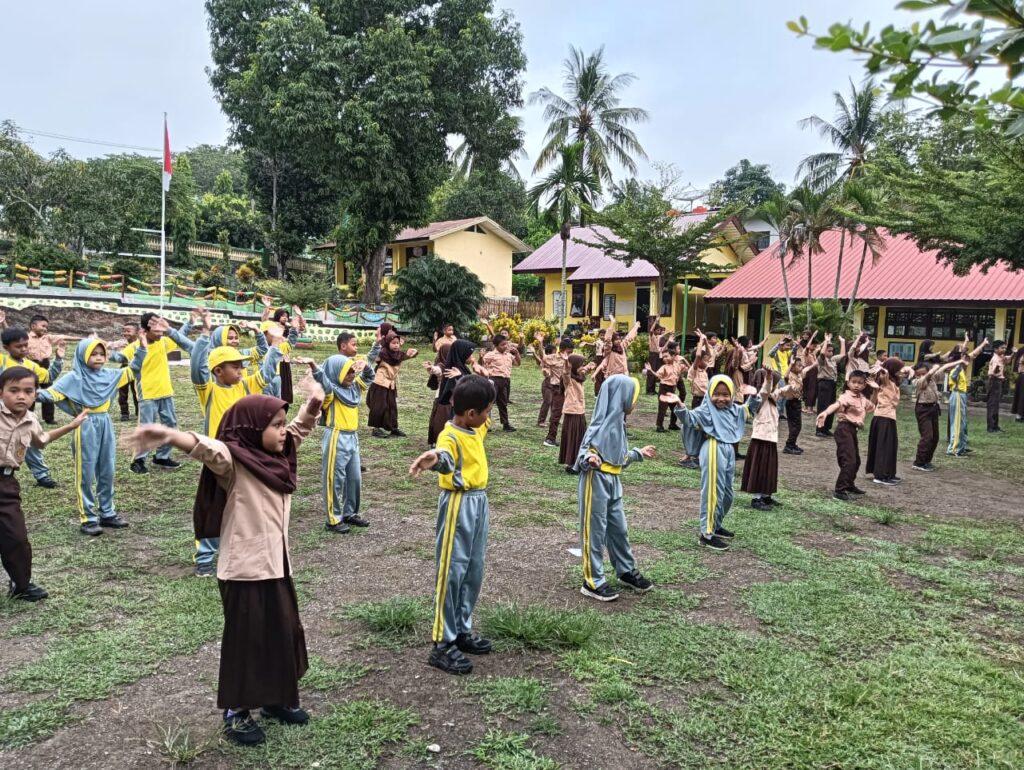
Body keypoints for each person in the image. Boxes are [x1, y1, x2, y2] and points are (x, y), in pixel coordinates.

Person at [125, 387, 323, 746]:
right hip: (244, 571)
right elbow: (208, 449)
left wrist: (313, 406)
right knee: (247, 642)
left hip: (277, 566)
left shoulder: (277, 457)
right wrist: (169, 435)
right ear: (251, 428)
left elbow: (299, 430)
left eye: (282, 424)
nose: (283, 431)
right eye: (275, 425)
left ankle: (275, 698)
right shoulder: (235, 463)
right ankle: (236, 712)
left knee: (281, 633)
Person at [409, 375, 496, 675]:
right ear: (471, 413)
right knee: (452, 571)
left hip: (478, 502)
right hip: (458, 505)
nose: (489, 416)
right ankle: (442, 643)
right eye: (487, 411)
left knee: (473, 569)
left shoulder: (473, 427)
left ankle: (460, 628)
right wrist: (434, 458)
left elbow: (480, 400)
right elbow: (444, 456)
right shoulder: (450, 436)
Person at [190, 342, 284, 577]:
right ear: (218, 371)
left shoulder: (245, 385)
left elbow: (266, 374)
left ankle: (244, 550)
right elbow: (197, 368)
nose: (241, 370)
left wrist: (274, 346)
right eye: (235, 367)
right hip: (219, 458)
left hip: (244, 457)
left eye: (241, 366)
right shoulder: (208, 390)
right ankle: (205, 557)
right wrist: (204, 336)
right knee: (214, 504)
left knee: (243, 504)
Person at [36, 338, 147, 535]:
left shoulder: (111, 375)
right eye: (93, 354)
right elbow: (50, 395)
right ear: (82, 356)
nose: (99, 358)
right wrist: (26, 391)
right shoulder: (73, 378)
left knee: (107, 469)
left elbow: (134, 370)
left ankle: (107, 513)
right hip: (84, 425)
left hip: (105, 423)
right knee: (85, 472)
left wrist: (143, 348)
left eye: (102, 354)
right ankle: (88, 518)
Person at [0, 366, 88, 601]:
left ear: (35, 395)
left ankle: (21, 585)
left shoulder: (30, 420)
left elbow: (43, 440)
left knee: (16, 537)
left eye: (28, 391)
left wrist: (71, 426)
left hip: (6, 484)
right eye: (13, 390)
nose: (21, 396)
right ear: (1, 392)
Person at [573, 375, 655, 601]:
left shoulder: (618, 423)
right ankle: (592, 580)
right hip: (596, 480)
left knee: (619, 529)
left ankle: (625, 570)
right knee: (594, 531)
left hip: (614, 482)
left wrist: (638, 453)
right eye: (633, 397)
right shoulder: (600, 426)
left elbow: (618, 457)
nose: (634, 403)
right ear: (622, 397)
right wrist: (589, 459)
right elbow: (584, 453)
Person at [667, 374, 753, 551]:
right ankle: (706, 534)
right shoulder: (705, 410)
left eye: (725, 394)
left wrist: (762, 388)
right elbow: (689, 419)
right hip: (713, 448)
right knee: (713, 492)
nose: (721, 398)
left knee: (727, 493)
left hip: (728, 449)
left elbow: (749, 409)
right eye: (717, 394)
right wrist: (680, 404)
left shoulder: (733, 410)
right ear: (709, 393)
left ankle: (716, 524)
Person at [118, 313, 195, 475]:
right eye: (157, 330)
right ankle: (138, 461)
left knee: (170, 425)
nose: (161, 333)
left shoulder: (163, 342)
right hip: (147, 395)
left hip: (166, 392)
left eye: (162, 330)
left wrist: (190, 322)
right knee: (147, 428)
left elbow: (179, 336)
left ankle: (162, 457)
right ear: (145, 330)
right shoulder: (134, 348)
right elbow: (119, 358)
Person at [309, 352, 375, 534]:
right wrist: (314, 365)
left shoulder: (354, 389)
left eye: (353, 372)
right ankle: (333, 519)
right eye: (347, 372)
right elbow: (324, 380)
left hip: (353, 437)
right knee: (334, 479)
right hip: (336, 437)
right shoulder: (331, 392)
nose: (352, 376)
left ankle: (350, 513)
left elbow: (369, 377)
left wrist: (365, 365)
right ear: (336, 373)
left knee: (354, 478)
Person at [0, 327, 65, 488]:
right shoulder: (2, 362)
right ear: (6, 347)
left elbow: (49, 376)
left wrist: (58, 359)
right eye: (18, 346)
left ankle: (42, 475)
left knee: (28, 442)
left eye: (25, 345)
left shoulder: (31, 366)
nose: (23, 349)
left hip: (21, 416)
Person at [817, 370, 874, 501]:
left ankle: (849, 484)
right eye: (854, 382)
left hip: (853, 430)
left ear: (864, 385)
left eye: (860, 383)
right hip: (844, 429)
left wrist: (876, 390)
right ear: (848, 383)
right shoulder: (846, 396)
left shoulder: (862, 398)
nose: (856, 385)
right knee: (849, 460)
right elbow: (836, 405)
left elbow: (872, 406)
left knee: (856, 461)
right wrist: (825, 413)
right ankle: (839, 490)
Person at [742, 367, 792, 510]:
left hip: (770, 439)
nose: (776, 386)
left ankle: (766, 495)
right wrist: (769, 378)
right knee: (759, 468)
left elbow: (782, 391)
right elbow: (765, 390)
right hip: (760, 439)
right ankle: (756, 498)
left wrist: (791, 385)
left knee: (768, 469)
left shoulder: (772, 397)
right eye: (775, 383)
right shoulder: (760, 398)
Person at [865, 359, 909, 486]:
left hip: (888, 417)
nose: (901, 371)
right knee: (884, 447)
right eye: (899, 369)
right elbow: (884, 372)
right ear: (893, 369)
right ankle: (880, 475)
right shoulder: (886, 379)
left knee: (890, 446)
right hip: (883, 417)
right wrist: (881, 367)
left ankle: (888, 473)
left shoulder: (892, 382)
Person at [367, 332, 418, 438]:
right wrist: (377, 343)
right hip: (380, 382)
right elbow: (372, 357)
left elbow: (409, 355)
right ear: (387, 343)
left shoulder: (398, 355)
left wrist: (414, 352)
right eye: (393, 343)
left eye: (397, 343)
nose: (396, 345)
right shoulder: (382, 353)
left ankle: (393, 428)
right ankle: (376, 429)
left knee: (392, 406)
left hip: (391, 383)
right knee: (379, 406)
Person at [910, 359, 958, 472]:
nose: (921, 376)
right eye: (918, 374)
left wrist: (960, 361)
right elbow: (928, 375)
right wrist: (933, 369)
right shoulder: (917, 382)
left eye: (923, 373)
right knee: (927, 436)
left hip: (933, 408)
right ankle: (919, 462)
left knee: (935, 437)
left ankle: (927, 461)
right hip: (923, 409)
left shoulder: (933, 378)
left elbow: (944, 366)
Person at [947, 337, 989, 456]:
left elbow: (974, 353)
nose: (967, 359)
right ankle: (953, 449)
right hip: (957, 395)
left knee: (963, 423)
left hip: (962, 395)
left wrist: (983, 344)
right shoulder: (955, 368)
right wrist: (960, 364)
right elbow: (953, 375)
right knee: (957, 423)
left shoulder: (961, 367)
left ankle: (962, 446)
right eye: (964, 355)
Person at [559, 354, 596, 472]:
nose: (582, 367)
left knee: (580, 437)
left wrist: (589, 366)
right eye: (580, 365)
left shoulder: (578, 377)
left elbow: (584, 371)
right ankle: (572, 463)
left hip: (580, 411)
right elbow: (565, 372)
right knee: (573, 437)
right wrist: (566, 362)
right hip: (572, 411)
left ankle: (578, 461)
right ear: (574, 366)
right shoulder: (569, 379)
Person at [535, 334, 571, 448]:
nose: (570, 353)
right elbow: (543, 357)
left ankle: (570, 438)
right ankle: (550, 438)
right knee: (556, 413)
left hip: (570, 388)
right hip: (558, 388)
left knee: (571, 413)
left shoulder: (571, 358)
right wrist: (540, 343)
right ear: (563, 349)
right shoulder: (554, 357)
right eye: (569, 351)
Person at [643, 342, 687, 433]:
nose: (664, 358)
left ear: (673, 356)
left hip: (672, 389)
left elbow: (682, 371)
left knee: (674, 408)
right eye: (663, 357)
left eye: (666, 356)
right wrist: (650, 370)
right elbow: (658, 375)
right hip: (664, 389)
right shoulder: (664, 367)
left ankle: (672, 424)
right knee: (662, 409)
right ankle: (659, 426)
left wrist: (685, 368)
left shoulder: (677, 366)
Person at [481, 335, 521, 432]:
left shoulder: (508, 355)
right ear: (496, 345)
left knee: (503, 403)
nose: (505, 346)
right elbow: (482, 364)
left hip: (505, 381)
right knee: (489, 402)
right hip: (494, 380)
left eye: (506, 344)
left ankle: (505, 424)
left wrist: (517, 353)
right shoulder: (490, 355)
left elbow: (518, 363)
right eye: (502, 345)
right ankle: (485, 424)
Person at [26, 314, 57, 426]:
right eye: (43, 326)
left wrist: (86, 338)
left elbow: (64, 336)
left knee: (48, 391)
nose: (45, 329)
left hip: (45, 366)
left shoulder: (48, 338)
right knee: (30, 391)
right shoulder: (25, 337)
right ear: (33, 326)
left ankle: (49, 418)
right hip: (31, 365)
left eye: (47, 327)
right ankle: (28, 416)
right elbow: (11, 336)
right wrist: (3, 323)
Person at [814, 333, 846, 438]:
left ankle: (826, 428)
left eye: (832, 351)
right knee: (823, 406)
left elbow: (842, 355)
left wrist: (842, 342)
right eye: (829, 351)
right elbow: (822, 353)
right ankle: (819, 429)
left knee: (831, 406)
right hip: (824, 384)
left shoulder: (833, 359)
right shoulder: (821, 360)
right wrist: (826, 341)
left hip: (832, 384)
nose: (831, 352)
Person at [117, 321, 140, 421]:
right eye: (124, 331)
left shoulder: (141, 344)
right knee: (122, 392)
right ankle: (124, 413)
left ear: (137, 332)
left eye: (128, 331)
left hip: (136, 370)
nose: (126, 333)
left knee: (137, 391)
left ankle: (139, 411)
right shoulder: (122, 343)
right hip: (124, 368)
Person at [782, 357, 806, 455]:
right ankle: (789, 445)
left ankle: (793, 443)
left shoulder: (799, 375)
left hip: (797, 402)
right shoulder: (790, 375)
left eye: (801, 365)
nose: (801, 367)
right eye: (798, 365)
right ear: (792, 367)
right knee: (795, 426)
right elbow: (785, 376)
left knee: (797, 425)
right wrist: (791, 364)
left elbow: (806, 370)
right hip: (791, 402)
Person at [986, 340, 1010, 433]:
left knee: (996, 404)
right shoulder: (996, 359)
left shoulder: (1000, 357)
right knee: (993, 404)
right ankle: (991, 427)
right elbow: (994, 372)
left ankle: (995, 426)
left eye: (1005, 348)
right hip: (994, 381)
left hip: (998, 381)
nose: (1004, 349)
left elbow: (1008, 360)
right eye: (1002, 348)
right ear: (996, 349)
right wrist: (996, 369)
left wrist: (1013, 354)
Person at [533, 342, 557, 428]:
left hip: (556, 383)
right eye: (554, 352)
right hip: (548, 383)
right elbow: (541, 356)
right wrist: (540, 343)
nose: (555, 354)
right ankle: (541, 421)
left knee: (555, 403)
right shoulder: (545, 360)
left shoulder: (556, 360)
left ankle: (553, 419)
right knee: (547, 402)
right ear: (549, 353)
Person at [1013, 347, 1024, 424]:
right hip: (1023, 375)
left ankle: (1021, 415)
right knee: (1021, 396)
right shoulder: (1021, 351)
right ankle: (1019, 415)